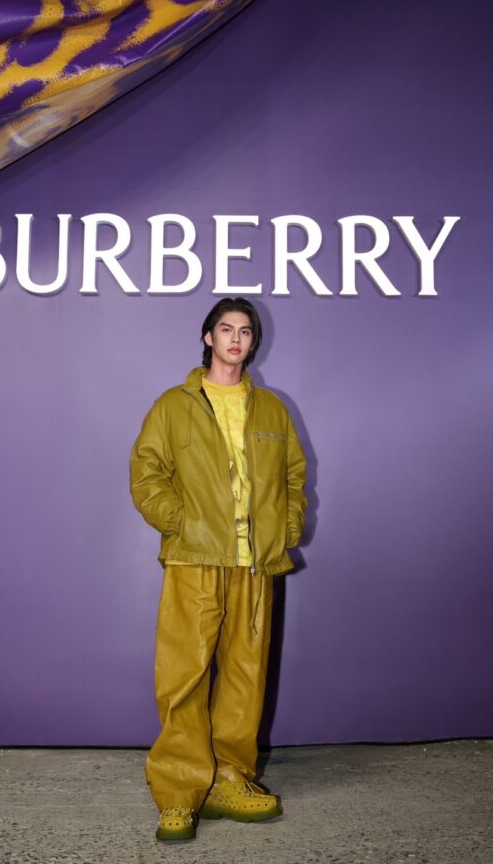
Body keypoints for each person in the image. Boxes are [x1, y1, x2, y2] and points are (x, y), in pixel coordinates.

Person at [129, 297, 307, 842]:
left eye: (245, 331)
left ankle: (230, 779)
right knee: (183, 678)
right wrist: (181, 522)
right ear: (208, 337)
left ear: (253, 342)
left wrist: (286, 528)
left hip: (255, 563)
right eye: (225, 329)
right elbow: (146, 473)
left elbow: (294, 476)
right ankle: (179, 795)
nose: (235, 339)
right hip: (194, 558)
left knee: (244, 678)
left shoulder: (271, 408)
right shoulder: (173, 404)